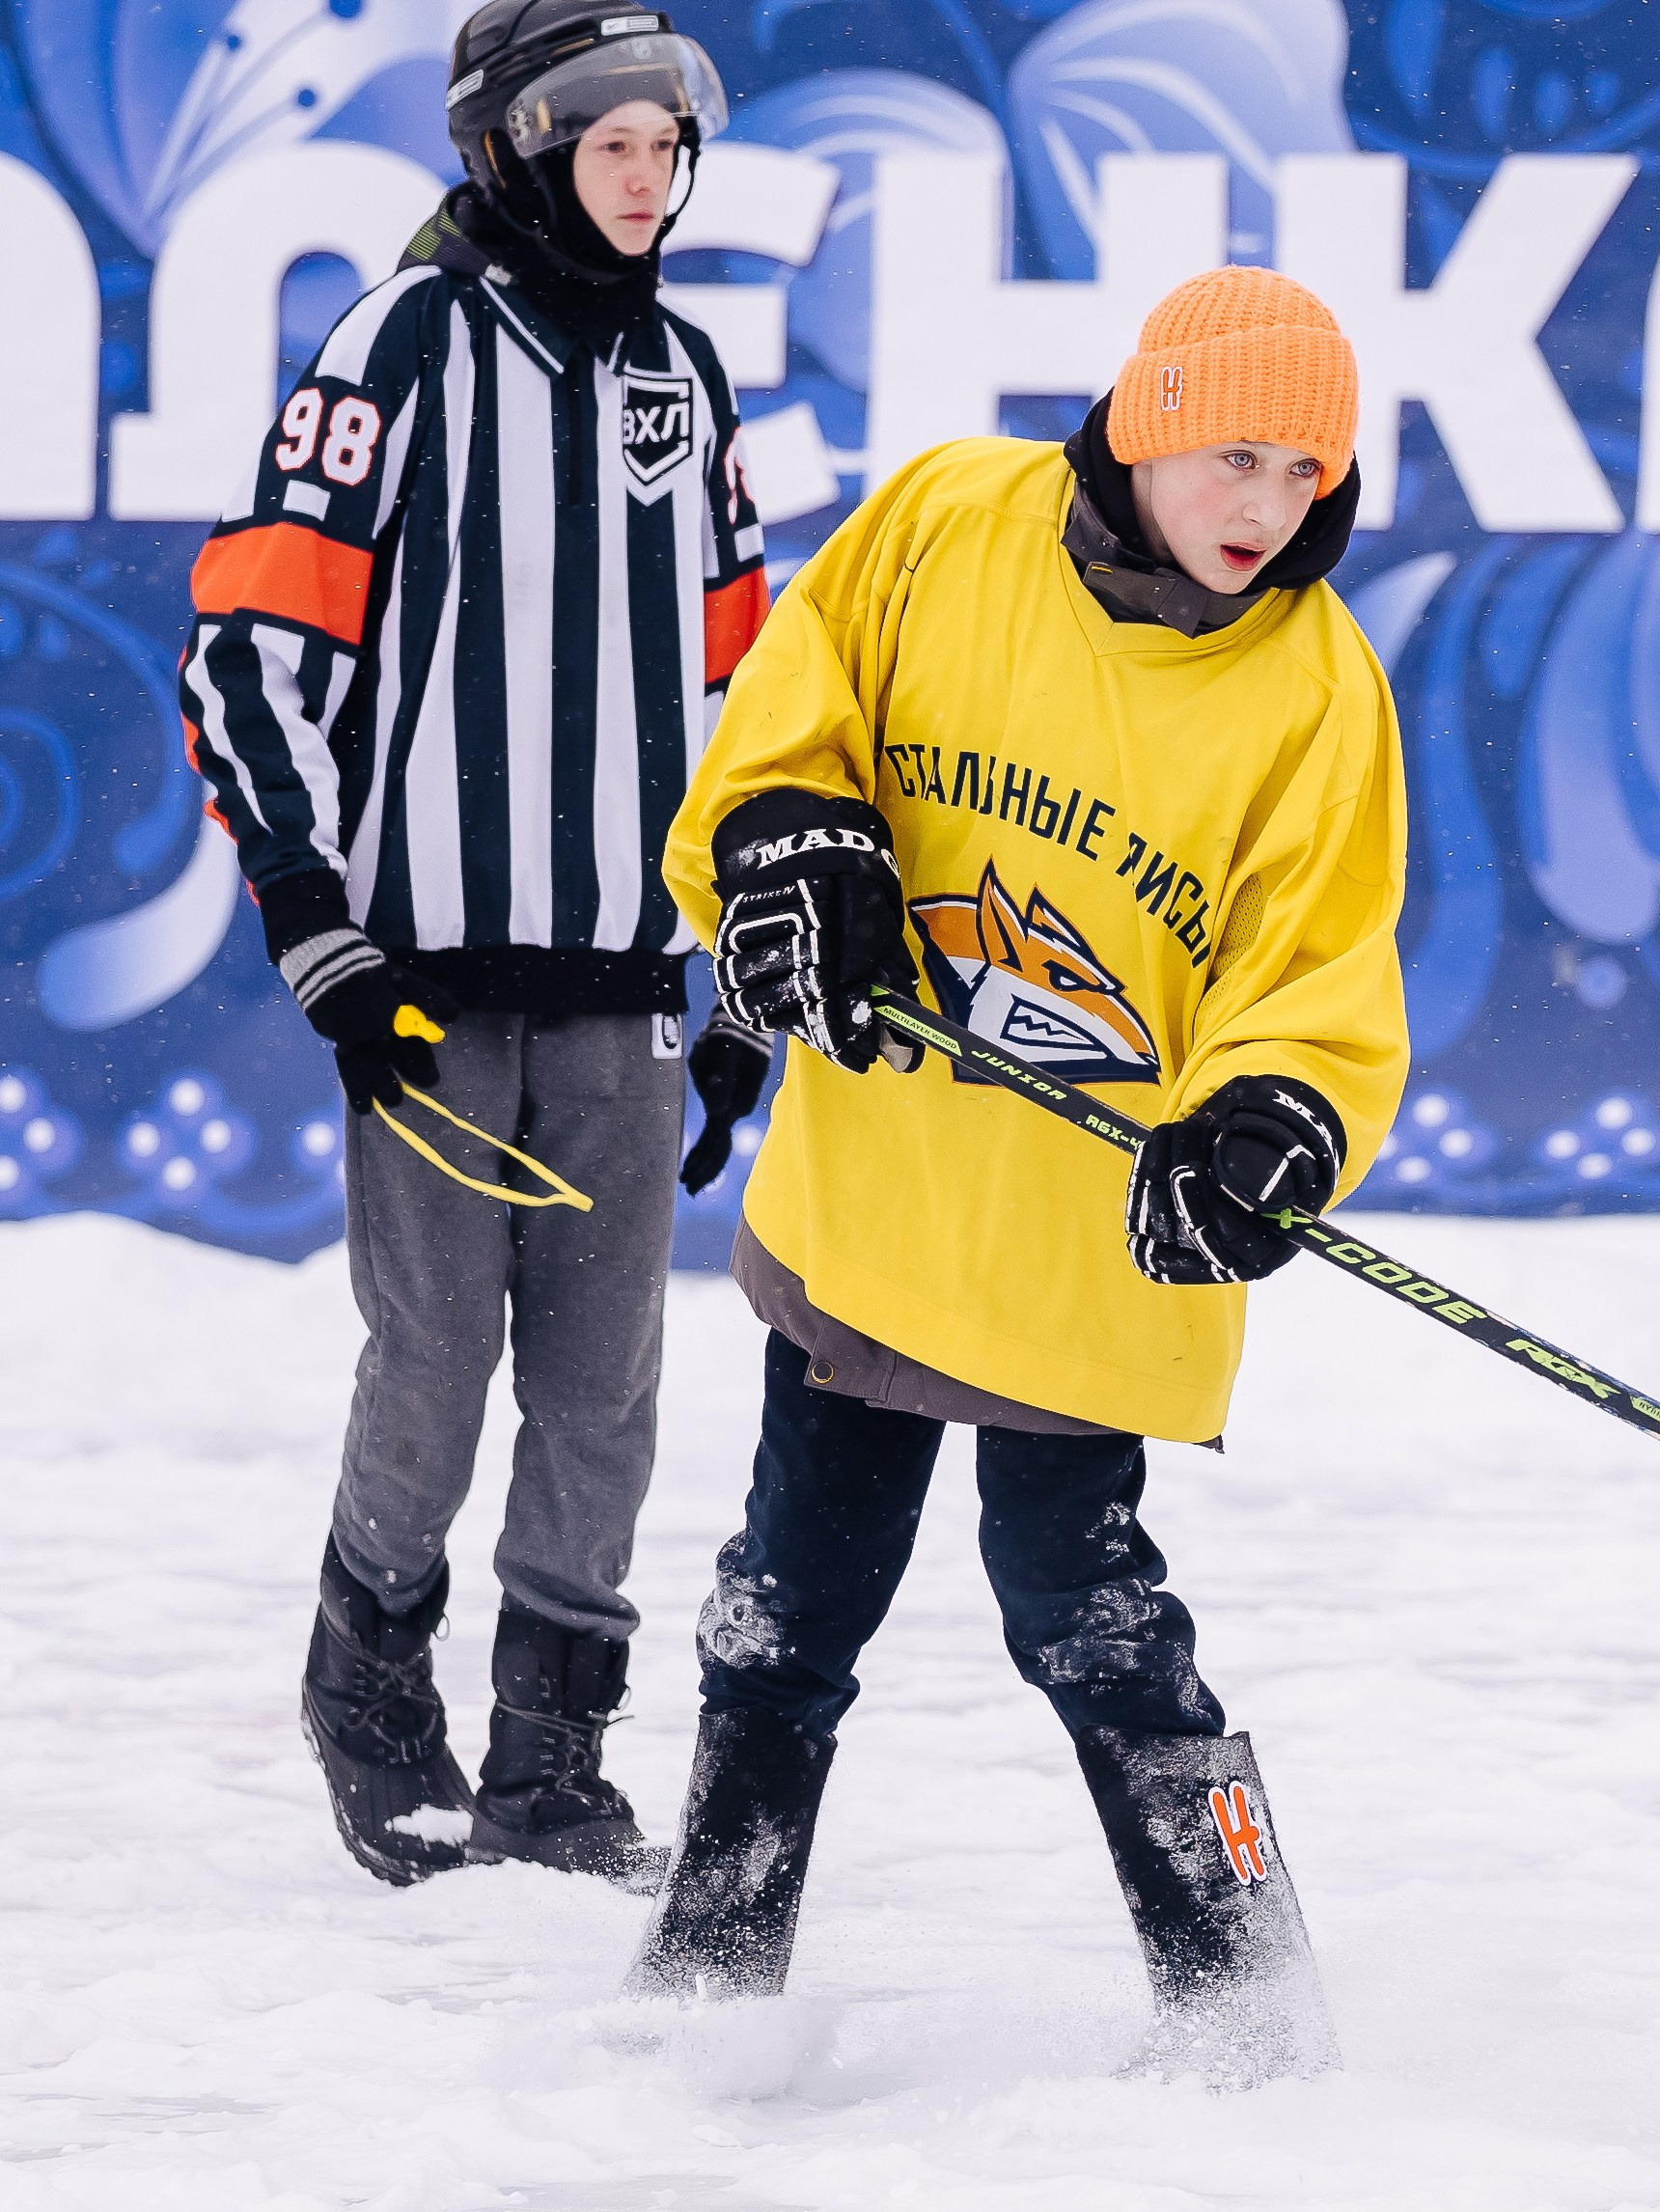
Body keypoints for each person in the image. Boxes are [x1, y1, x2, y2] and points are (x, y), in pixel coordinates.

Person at [631, 266, 1410, 2080]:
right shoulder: (943, 520)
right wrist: (791, 845)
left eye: (1307, 472)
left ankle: (1253, 2012)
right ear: (1143, 423)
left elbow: (1320, 977)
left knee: (1092, 1618)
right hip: (883, 1194)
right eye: (1236, 454)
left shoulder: (1315, 693)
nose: (1266, 508)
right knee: (789, 1595)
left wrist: (1269, 1122)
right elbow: (784, 718)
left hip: (1081, 1257)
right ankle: (709, 1966)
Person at [178, 0, 774, 1890]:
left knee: (606, 1393)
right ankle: (369, 1691)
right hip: (429, 972)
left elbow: (750, 698)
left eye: (667, 146)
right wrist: (314, 925)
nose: (646, 177)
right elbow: (250, 650)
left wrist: (746, 979)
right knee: (433, 1368)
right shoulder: (402, 343)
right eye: (609, 140)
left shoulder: (686, 372)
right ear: (514, 144)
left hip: (622, 986)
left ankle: (552, 1758)